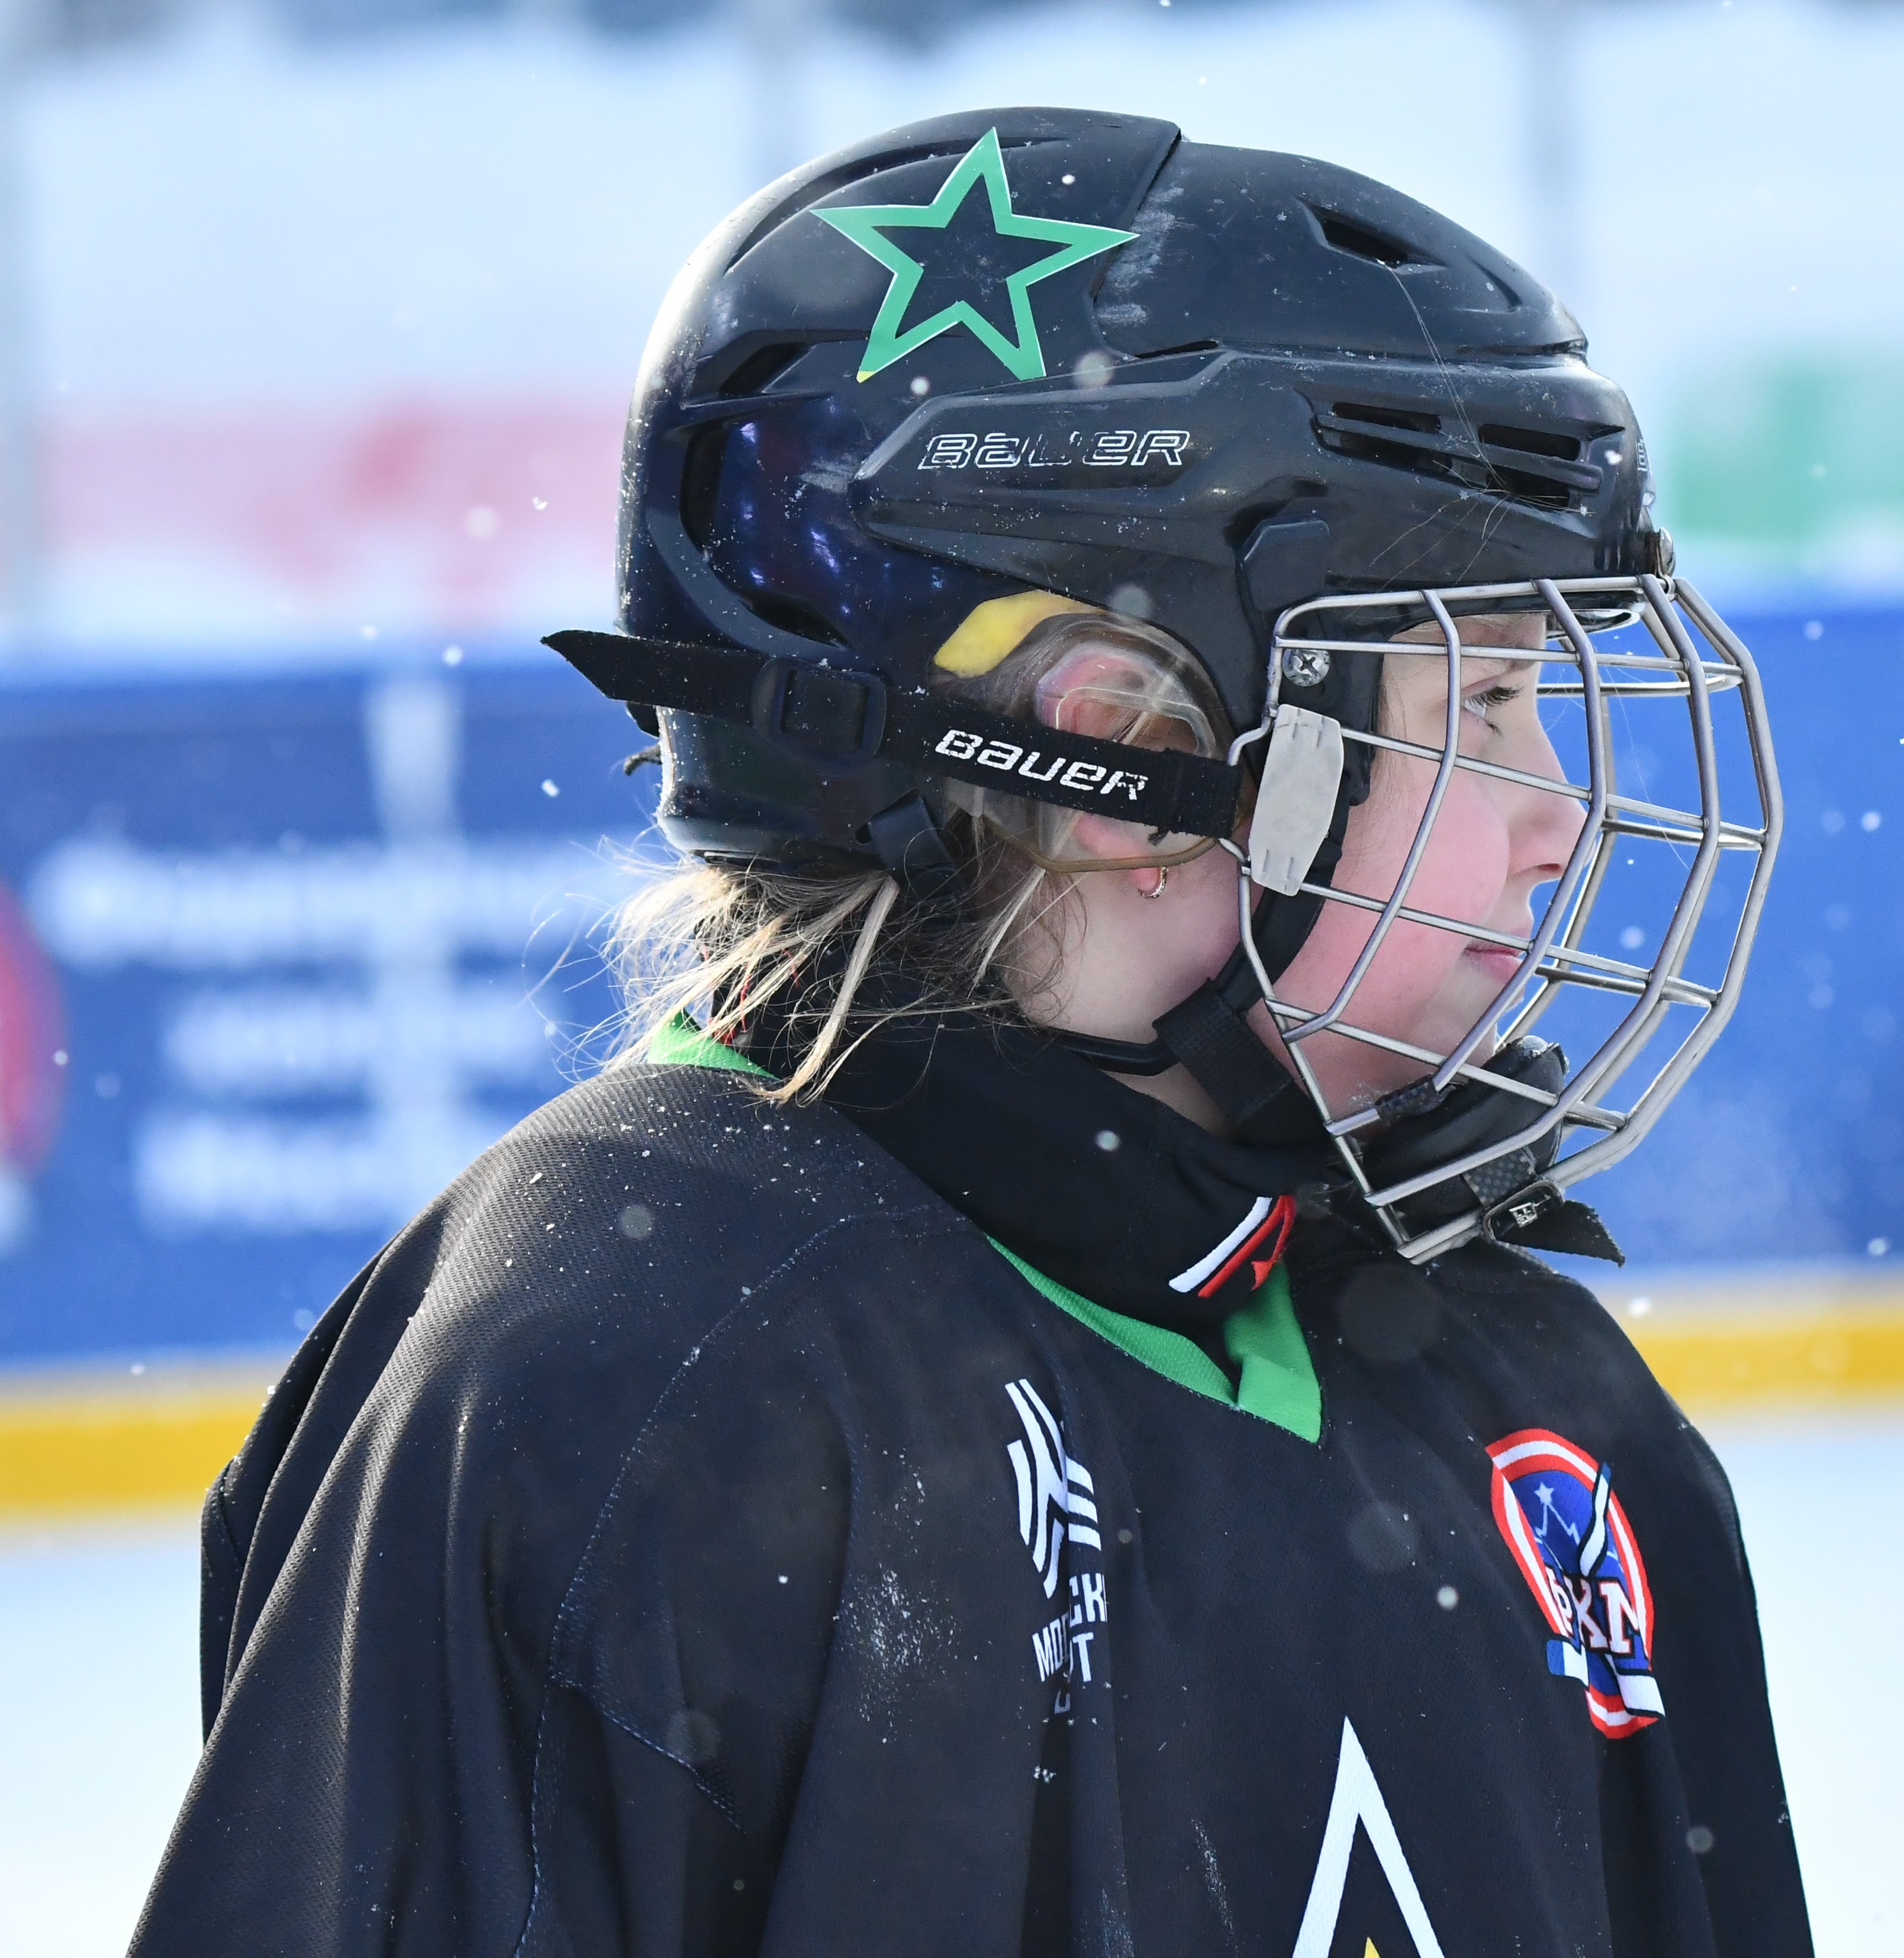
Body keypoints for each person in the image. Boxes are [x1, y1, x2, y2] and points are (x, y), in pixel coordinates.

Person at [132, 110, 1809, 1956]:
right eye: (1483, 700)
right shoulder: (623, 1363)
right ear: (1136, 752)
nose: (1559, 809)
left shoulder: (1544, 1419)